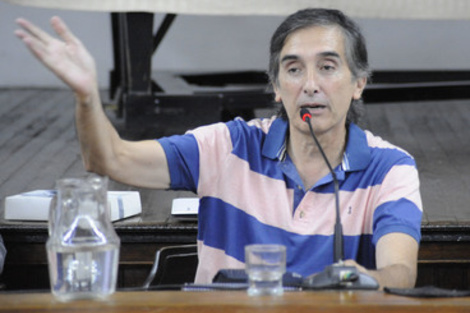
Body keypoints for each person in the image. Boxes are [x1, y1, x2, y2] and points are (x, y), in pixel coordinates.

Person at [15, 8, 422, 289]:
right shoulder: (229, 145)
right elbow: (109, 158)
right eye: (293, 69)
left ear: (359, 83)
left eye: (328, 67)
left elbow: (400, 273)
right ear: (277, 88)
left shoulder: (391, 169)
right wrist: (87, 97)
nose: (310, 85)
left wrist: (362, 279)